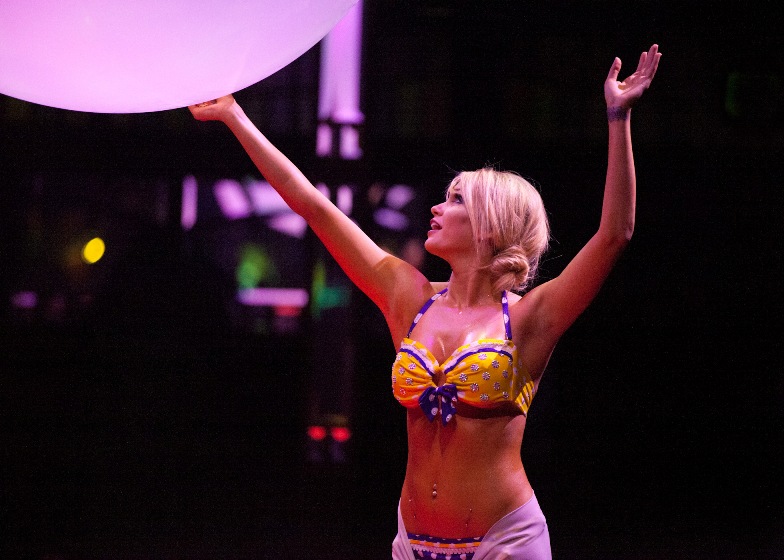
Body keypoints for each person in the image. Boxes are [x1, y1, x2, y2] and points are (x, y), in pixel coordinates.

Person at [190, 43, 661, 560]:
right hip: (413, 543)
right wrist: (235, 117)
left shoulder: (529, 319)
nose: (436, 207)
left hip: (504, 544)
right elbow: (313, 207)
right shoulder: (408, 297)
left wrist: (618, 118)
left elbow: (614, 235)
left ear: (489, 227)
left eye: (456, 199)